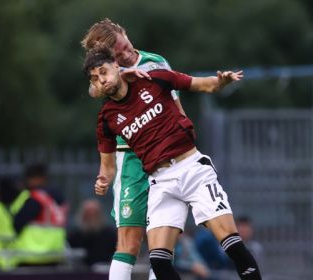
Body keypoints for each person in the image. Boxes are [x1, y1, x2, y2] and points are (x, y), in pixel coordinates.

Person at [85, 48, 262, 279]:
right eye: (95, 78)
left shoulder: (155, 77)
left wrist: (221, 82)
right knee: (159, 262)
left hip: (192, 169)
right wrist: (102, 180)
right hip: (160, 182)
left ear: (117, 67)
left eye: (103, 71)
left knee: (232, 245)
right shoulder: (107, 118)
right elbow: (107, 166)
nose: (102, 79)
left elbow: (204, 85)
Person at [81, 18, 186, 279]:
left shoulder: (155, 62)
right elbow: (93, 91)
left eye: (125, 45)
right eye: (118, 54)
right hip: (130, 160)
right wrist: (119, 74)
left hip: (165, 159)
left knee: (162, 243)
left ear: (125, 33)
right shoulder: (107, 75)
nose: (126, 53)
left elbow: (177, 106)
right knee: (129, 239)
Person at [12, 163, 68, 267]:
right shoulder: (58, 198)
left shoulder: (36, 198)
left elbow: (17, 223)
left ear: (37, 178)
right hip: (55, 254)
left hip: (32, 255)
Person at [67, 198, 117, 266]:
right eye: (88, 214)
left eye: (94, 213)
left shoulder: (110, 234)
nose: (91, 217)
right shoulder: (74, 235)